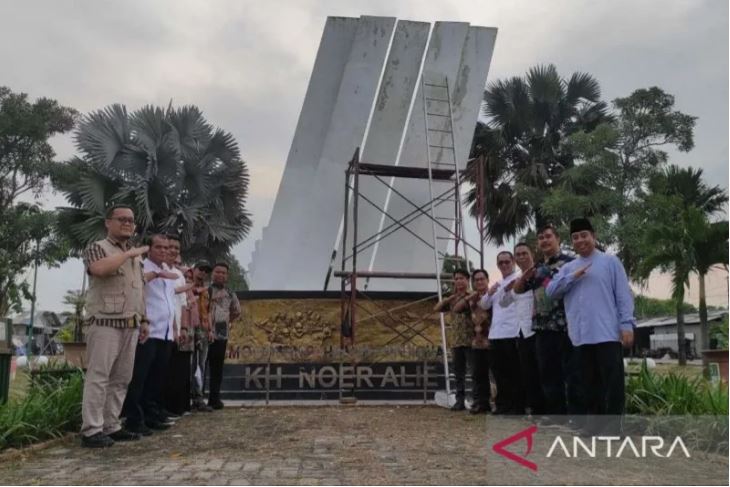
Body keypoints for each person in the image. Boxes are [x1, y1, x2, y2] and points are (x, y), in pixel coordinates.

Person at [546, 218, 635, 435]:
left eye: (584, 235)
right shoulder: (568, 267)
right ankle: (593, 426)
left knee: (612, 384)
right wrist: (572, 278)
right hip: (580, 335)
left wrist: (627, 324)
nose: (580, 240)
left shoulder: (610, 262)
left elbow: (624, 295)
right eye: (575, 237)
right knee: (588, 383)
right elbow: (551, 292)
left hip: (607, 333)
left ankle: (613, 428)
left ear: (593, 236)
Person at [79, 205, 149, 448]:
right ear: (108, 222)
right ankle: (91, 430)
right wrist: (128, 255)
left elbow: (139, 288)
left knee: (121, 378)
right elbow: (99, 269)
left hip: (130, 323)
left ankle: (111, 425)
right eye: (121, 219)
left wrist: (144, 319)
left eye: (131, 220)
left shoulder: (135, 254)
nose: (128, 223)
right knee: (99, 376)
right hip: (104, 322)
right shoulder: (98, 248)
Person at [513, 224, 584, 424]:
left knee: (572, 374)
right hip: (542, 328)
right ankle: (556, 415)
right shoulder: (536, 269)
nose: (544, 240)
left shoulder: (572, 263)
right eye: (541, 238)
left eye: (548, 237)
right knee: (548, 374)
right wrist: (523, 277)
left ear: (558, 239)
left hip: (567, 327)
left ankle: (577, 417)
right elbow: (518, 291)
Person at [123, 234, 178, 434]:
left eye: (167, 247)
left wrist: (174, 328)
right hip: (148, 330)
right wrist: (156, 275)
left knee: (157, 377)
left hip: (165, 333)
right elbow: (137, 285)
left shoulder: (167, 271)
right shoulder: (142, 266)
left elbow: (170, 302)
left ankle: (152, 415)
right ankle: (134, 419)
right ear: (149, 248)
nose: (164, 251)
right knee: (140, 377)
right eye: (159, 247)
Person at [478, 251, 526, 415]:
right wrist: (489, 293)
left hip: (512, 331)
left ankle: (517, 406)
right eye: (501, 263)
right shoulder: (497, 284)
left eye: (507, 262)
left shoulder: (519, 278)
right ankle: (502, 404)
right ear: (497, 265)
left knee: (514, 372)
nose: (504, 265)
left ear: (513, 261)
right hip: (495, 333)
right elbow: (484, 305)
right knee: (499, 373)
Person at [507, 243, 545, 416]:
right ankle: (535, 410)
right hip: (521, 331)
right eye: (518, 254)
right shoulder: (517, 279)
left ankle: (550, 410)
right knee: (528, 373)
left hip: (538, 329)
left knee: (543, 372)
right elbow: (505, 302)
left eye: (524, 253)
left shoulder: (540, 273)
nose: (521, 257)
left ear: (532, 254)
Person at [434, 269, 473, 411]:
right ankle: (460, 401)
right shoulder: (453, 299)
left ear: (467, 280)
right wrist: (447, 299)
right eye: (456, 279)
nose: (459, 281)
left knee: (475, 372)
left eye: (462, 278)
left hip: (471, 339)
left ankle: (477, 400)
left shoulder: (473, 296)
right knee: (459, 373)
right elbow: (436, 308)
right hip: (456, 340)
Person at [207, 262, 241, 409]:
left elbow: (236, 311)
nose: (220, 275)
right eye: (217, 272)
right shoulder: (205, 290)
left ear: (227, 276)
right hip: (203, 331)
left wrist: (227, 321)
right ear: (212, 273)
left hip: (221, 333)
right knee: (200, 366)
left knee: (217, 367)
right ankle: (197, 397)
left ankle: (214, 399)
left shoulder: (230, 292)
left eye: (223, 273)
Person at [460, 269, 492, 414]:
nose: (479, 282)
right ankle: (482, 403)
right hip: (477, 342)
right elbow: (456, 308)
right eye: (476, 280)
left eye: (482, 279)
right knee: (479, 375)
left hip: (494, 340)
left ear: (487, 280)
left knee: (499, 374)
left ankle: (504, 403)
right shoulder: (472, 299)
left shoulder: (493, 295)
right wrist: (468, 298)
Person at [191, 261, 213, 412]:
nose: (202, 273)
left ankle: (199, 397)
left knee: (201, 365)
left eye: (206, 271)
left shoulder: (207, 290)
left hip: (203, 330)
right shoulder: (187, 286)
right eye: (200, 269)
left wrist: (210, 330)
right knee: (191, 365)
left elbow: (209, 310)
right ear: (194, 269)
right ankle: (191, 396)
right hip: (190, 329)